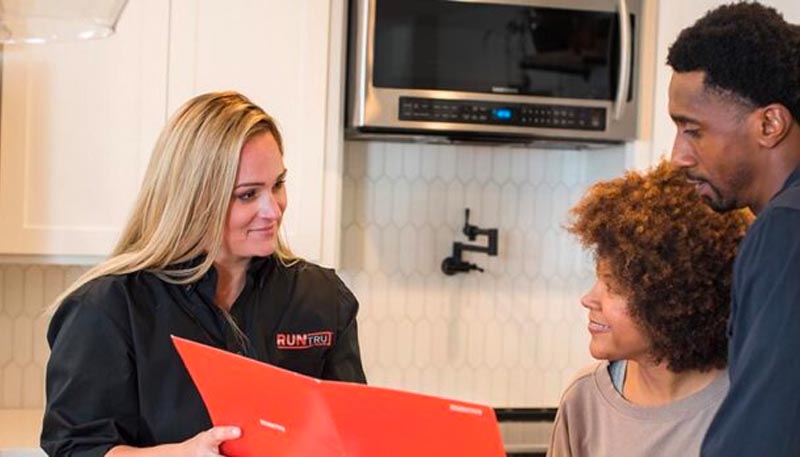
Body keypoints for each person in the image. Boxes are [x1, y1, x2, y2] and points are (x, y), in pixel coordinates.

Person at [40, 91, 367, 456]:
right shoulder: (107, 308)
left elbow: (353, 434)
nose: (272, 210)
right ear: (194, 198)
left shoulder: (322, 297)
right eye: (247, 194)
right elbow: (77, 449)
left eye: (277, 185)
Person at [667, 3, 800, 455]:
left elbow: (765, 432)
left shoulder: (785, 231)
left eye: (693, 131)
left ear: (769, 124)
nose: (677, 156)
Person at [547, 161, 750, 457]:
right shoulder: (584, 399)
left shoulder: (747, 404)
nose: (588, 299)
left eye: (613, 285)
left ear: (675, 299)